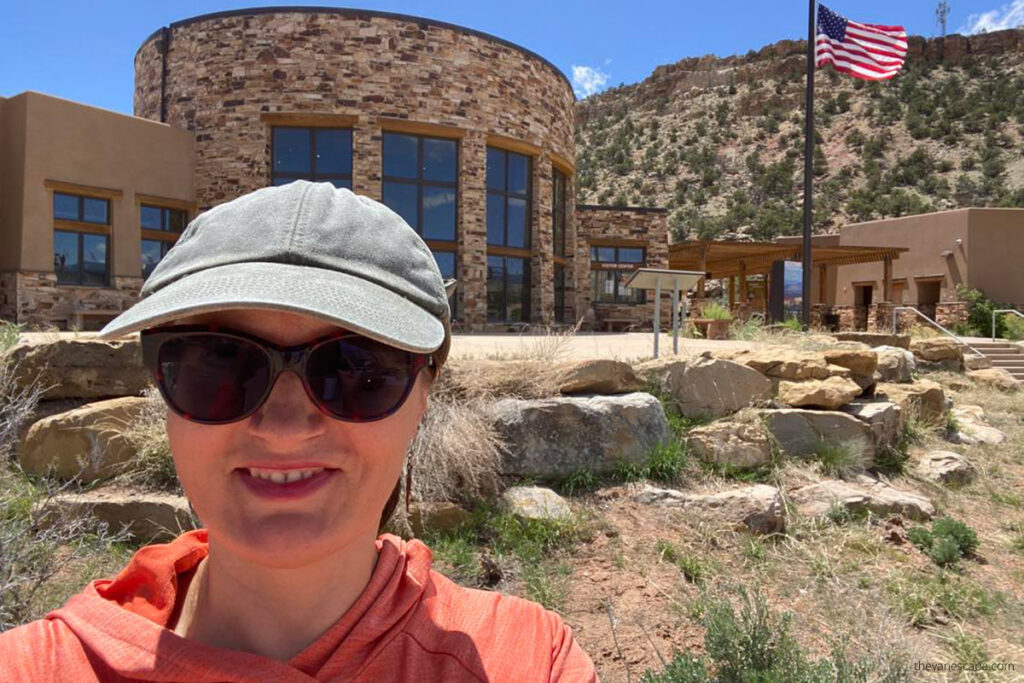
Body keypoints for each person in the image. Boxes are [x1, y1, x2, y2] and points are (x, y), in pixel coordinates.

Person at [0, 181, 598, 682]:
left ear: (424, 395)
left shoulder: (525, 661)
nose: (284, 428)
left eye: (358, 371)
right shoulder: (37, 668)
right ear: (162, 386)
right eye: (220, 364)